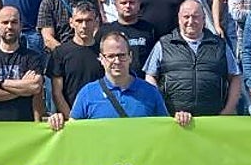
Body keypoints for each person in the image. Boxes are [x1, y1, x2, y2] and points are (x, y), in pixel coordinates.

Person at [47, 32, 192, 127]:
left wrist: (180, 120)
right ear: (101, 59)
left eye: (122, 55)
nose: (117, 61)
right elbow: (73, 133)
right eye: (110, 56)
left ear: (130, 57)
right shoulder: (87, 93)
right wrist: (57, 122)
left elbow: (165, 129)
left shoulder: (150, 92)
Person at [144, 0, 242, 116]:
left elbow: (235, 77)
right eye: (186, 17)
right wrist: (162, 110)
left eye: (195, 17)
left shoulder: (220, 45)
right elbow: (150, 76)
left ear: (203, 19)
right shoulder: (163, 44)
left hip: (213, 119)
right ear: (179, 19)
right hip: (174, 120)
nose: (190, 21)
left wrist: (228, 110)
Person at [0, 6, 46, 122]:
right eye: (5, 22)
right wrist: (22, 90)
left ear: (21, 26)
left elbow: (35, 87)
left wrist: (0, 83)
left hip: (23, 125)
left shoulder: (32, 57)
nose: (10, 26)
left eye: (14, 22)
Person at [45, 2, 103, 117]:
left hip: (100, 116)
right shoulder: (60, 53)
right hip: (71, 117)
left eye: (88, 20)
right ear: (71, 22)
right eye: (79, 21)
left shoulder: (104, 51)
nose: (84, 26)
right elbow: (57, 92)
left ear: (96, 22)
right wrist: (71, 118)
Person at [100, 0, 157, 74]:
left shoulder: (150, 29)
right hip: (114, 79)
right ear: (116, 5)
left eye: (132, 2)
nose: (127, 6)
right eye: (123, 3)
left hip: (143, 80)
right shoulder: (105, 31)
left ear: (139, 5)